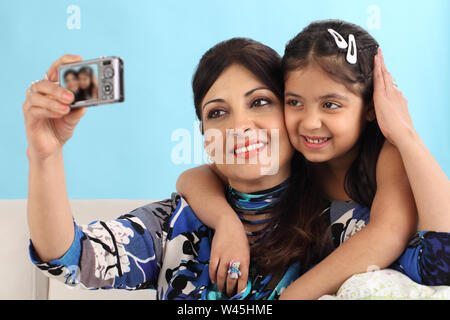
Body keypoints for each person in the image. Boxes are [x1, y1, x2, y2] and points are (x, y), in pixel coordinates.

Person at [176, 20, 450, 299]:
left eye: (330, 105)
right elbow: (194, 177)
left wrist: (405, 134)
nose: (309, 123)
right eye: (295, 102)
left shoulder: (386, 153)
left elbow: (425, 250)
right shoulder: (294, 153)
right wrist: (226, 222)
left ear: (370, 108)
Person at [24, 39, 310, 300]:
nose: (239, 126)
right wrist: (46, 156)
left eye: (260, 102)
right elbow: (73, 257)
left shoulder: (334, 221)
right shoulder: (175, 223)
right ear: (205, 137)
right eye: (217, 113)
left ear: (291, 111)